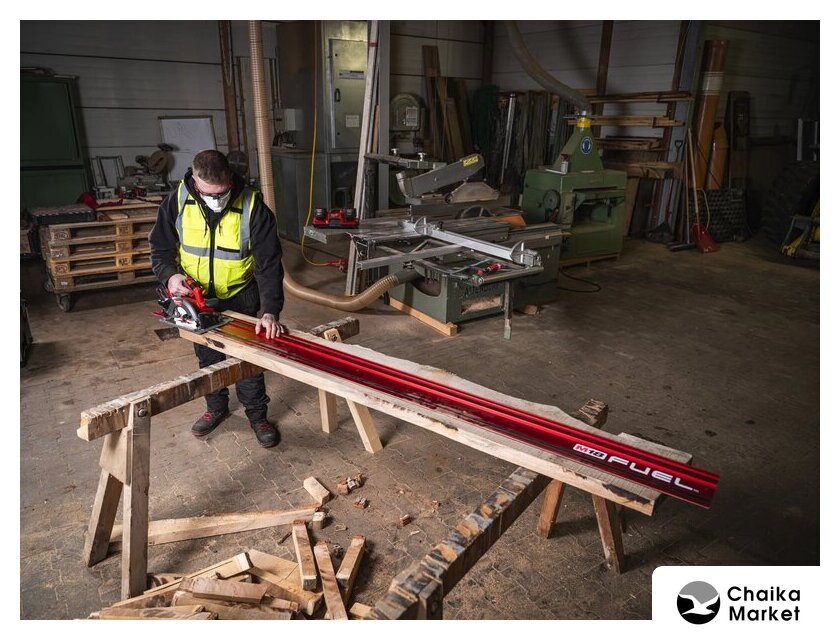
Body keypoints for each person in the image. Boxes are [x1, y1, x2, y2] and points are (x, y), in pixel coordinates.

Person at [150, 149, 286, 448]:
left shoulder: (253, 206)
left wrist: (270, 311)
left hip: (240, 293)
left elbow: (269, 265)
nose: (217, 199)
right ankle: (216, 408)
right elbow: (159, 248)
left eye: (222, 192)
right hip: (197, 298)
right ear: (195, 180)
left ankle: (257, 416)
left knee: (248, 359)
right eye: (209, 193)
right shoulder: (177, 201)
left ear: (230, 178)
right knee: (208, 358)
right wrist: (170, 277)